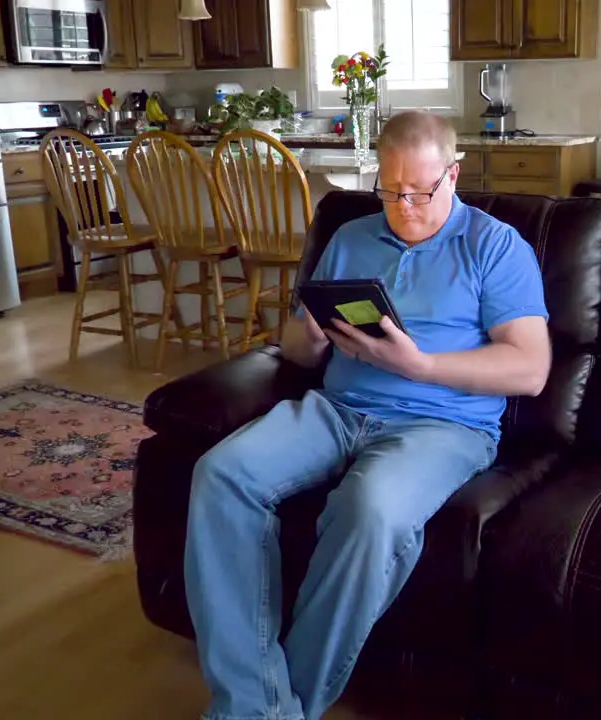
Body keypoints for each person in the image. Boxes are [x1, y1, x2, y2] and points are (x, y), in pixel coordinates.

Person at [184, 110, 552, 720]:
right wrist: (310, 335)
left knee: (372, 510)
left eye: (419, 192)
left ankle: (264, 712)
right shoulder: (351, 236)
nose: (403, 206)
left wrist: (421, 366)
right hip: (337, 408)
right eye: (389, 190)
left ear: (453, 175)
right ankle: (260, 706)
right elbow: (296, 348)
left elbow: (530, 369)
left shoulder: (494, 246)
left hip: (443, 426)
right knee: (221, 475)